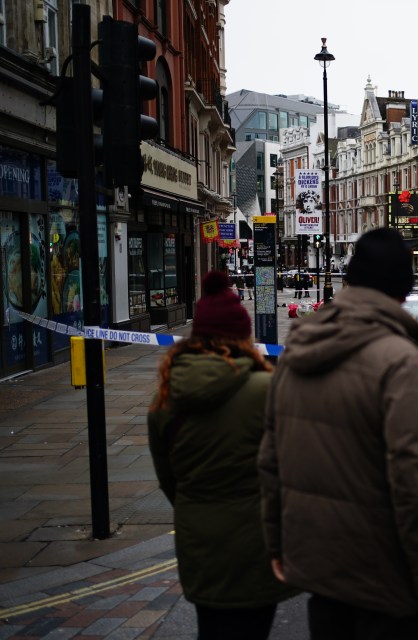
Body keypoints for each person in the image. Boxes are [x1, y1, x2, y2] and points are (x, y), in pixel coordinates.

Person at [259, 228, 418, 640]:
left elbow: (271, 460)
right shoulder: (401, 361)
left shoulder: (299, 347)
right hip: (383, 581)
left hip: (319, 571)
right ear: (402, 290)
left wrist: (277, 545)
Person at [147, 271, 298, 640]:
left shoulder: (165, 399)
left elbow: (169, 480)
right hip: (257, 546)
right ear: (243, 337)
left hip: (200, 546)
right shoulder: (268, 389)